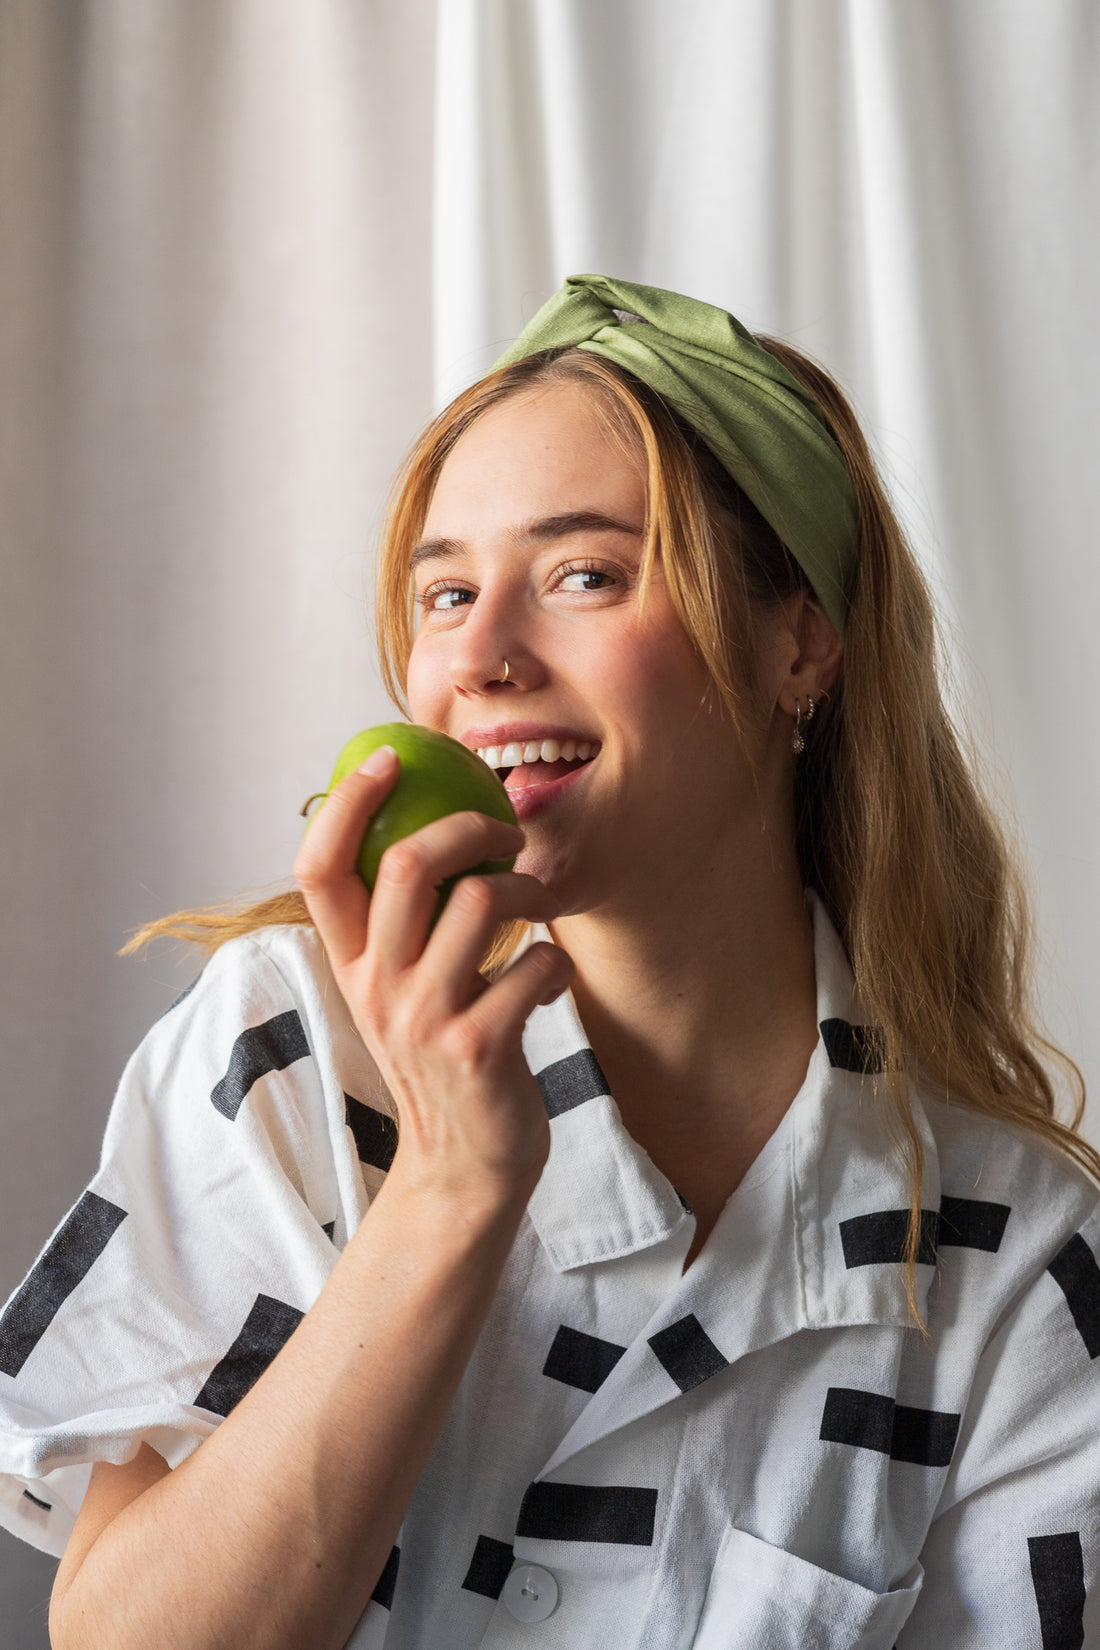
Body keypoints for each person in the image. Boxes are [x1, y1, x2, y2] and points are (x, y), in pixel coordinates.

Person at [1, 274, 1097, 1650]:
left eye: (583, 574)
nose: (479, 656)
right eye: (445, 591)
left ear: (797, 642)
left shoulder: (1018, 1253)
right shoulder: (284, 1052)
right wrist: (451, 1191)